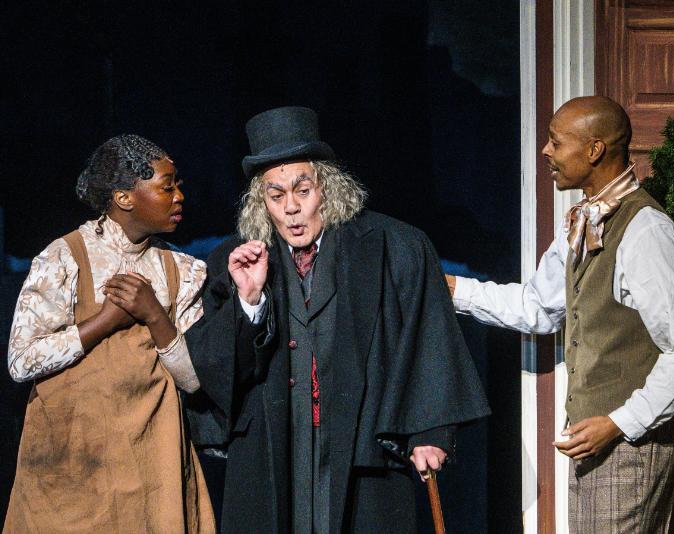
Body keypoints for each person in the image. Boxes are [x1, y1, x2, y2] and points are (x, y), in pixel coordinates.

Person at [184, 106, 489, 534]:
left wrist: (430, 432)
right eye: (276, 196)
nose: (291, 208)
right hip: (275, 447)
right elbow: (213, 369)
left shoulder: (394, 246)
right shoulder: (234, 261)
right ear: (261, 202)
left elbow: (429, 336)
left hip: (364, 443)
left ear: (327, 187)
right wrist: (248, 302)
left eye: (302, 190)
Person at [446, 96, 674, 533]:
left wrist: (618, 423)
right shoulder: (583, 222)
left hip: (631, 442)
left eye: (556, 141)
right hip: (595, 441)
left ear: (594, 149)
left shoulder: (646, 231)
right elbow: (537, 307)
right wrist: (454, 289)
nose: (546, 151)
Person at [4, 134, 214, 533]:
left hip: (153, 463)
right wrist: (103, 322)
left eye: (178, 185)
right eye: (166, 187)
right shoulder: (64, 258)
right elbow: (21, 360)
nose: (179, 196)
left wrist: (155, 316)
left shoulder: (183, 271)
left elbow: (192, 379)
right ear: (124, 198)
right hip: (74, 468)